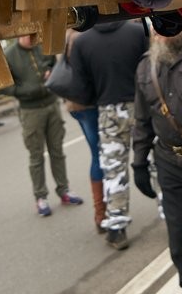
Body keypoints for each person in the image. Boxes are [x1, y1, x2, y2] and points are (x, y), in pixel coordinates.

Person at [133, 27, 182, 294]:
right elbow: (142, 119)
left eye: (166, 22)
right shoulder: (146, 65)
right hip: (169, 164)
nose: (158, 31)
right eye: (155, 24)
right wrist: (139, 162)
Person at [70, 20, 148, 249]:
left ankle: (116, 228)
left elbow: (81, 89)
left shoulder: (82, 42)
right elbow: (151, 67)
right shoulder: (138, 32)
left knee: (114, 169)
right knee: (157, 161)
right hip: (142, 105)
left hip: (109, 110)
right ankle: (172, 217)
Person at [3, 33, 84, 216]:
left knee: (57, 151)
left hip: (51, 105)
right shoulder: (10, 54)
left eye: (33, 34)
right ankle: (41, 197)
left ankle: (64, 190)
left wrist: (51, 73)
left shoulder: (42, 46)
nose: (31, 38)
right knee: (36, 156)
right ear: (19, 33)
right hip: (30, 111)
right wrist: (21, 90)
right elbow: (3, 84)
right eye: (27, 35)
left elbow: (56, 65)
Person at [59, 28, 105, 232]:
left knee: (98, 153)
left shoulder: (65, 33)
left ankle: (102, 211)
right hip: (88, 103)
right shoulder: (80, 35)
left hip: (75, 104)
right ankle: (101, 213)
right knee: (100, 155)